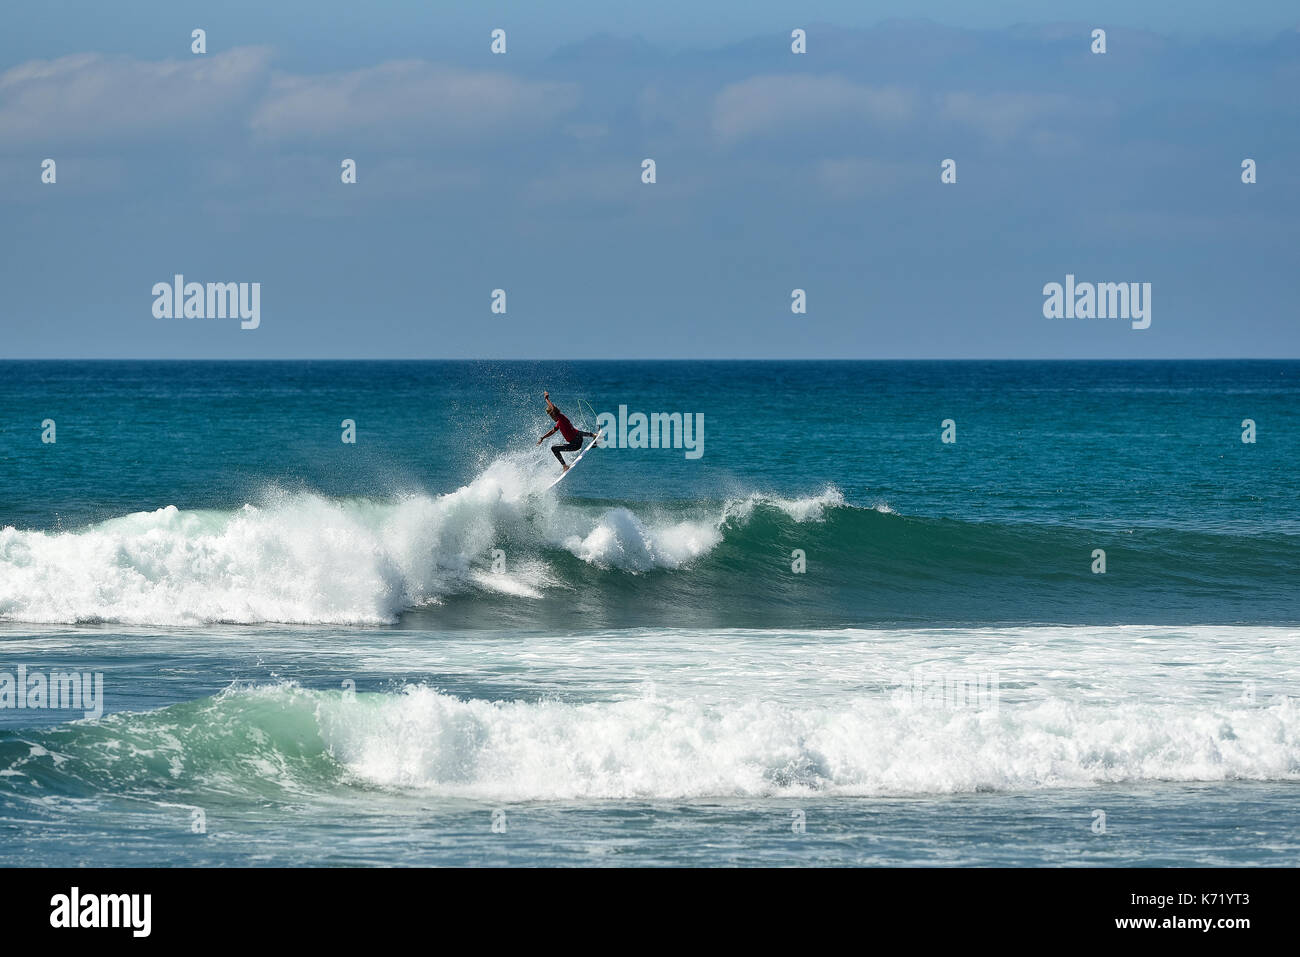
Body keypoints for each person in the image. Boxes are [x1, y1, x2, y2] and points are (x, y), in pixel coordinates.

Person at [536, 391, 598, 471]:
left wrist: (546, 399)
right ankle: (593, 435)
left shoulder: (561, 417)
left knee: (554, 448)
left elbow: (553, 408)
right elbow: (552, 431)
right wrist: (543, 438)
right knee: (576, 432)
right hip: (578, 439)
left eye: (552, 416)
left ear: (554, 414)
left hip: (575, 445)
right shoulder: (561, 421)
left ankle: (565, 466)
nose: (552, 418)